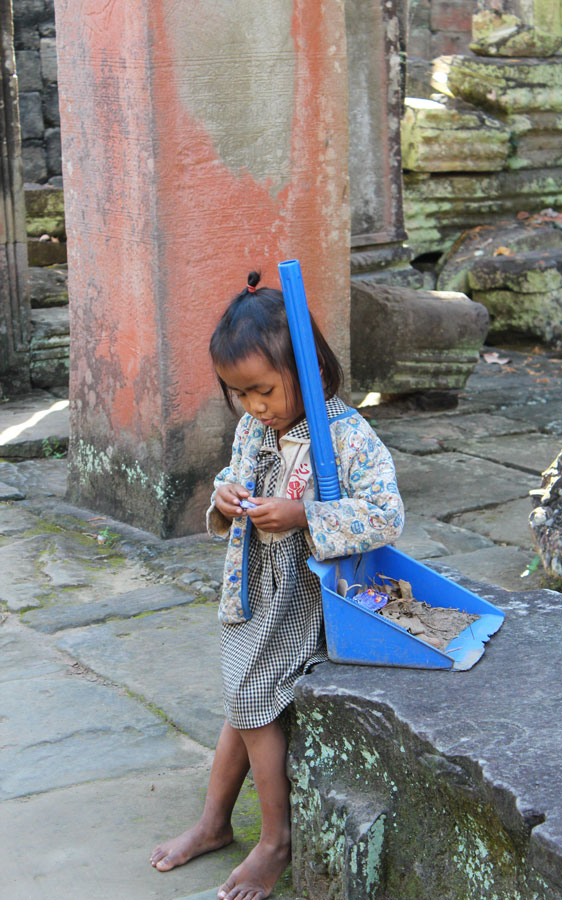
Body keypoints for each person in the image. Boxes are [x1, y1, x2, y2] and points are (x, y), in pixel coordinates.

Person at [150, 271, 404, 900]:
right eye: (240, 395)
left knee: (253, 700)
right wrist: (227, 495)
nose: (254, 406)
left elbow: (385, 514)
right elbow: (236, 477)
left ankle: (274, 839)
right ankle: (214, 823)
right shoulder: (254, 430)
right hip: (253, 591)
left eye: (263, 390)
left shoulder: (347, 438)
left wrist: (306, 516)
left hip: (304, 599)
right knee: (246, 695)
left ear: (309, 368)